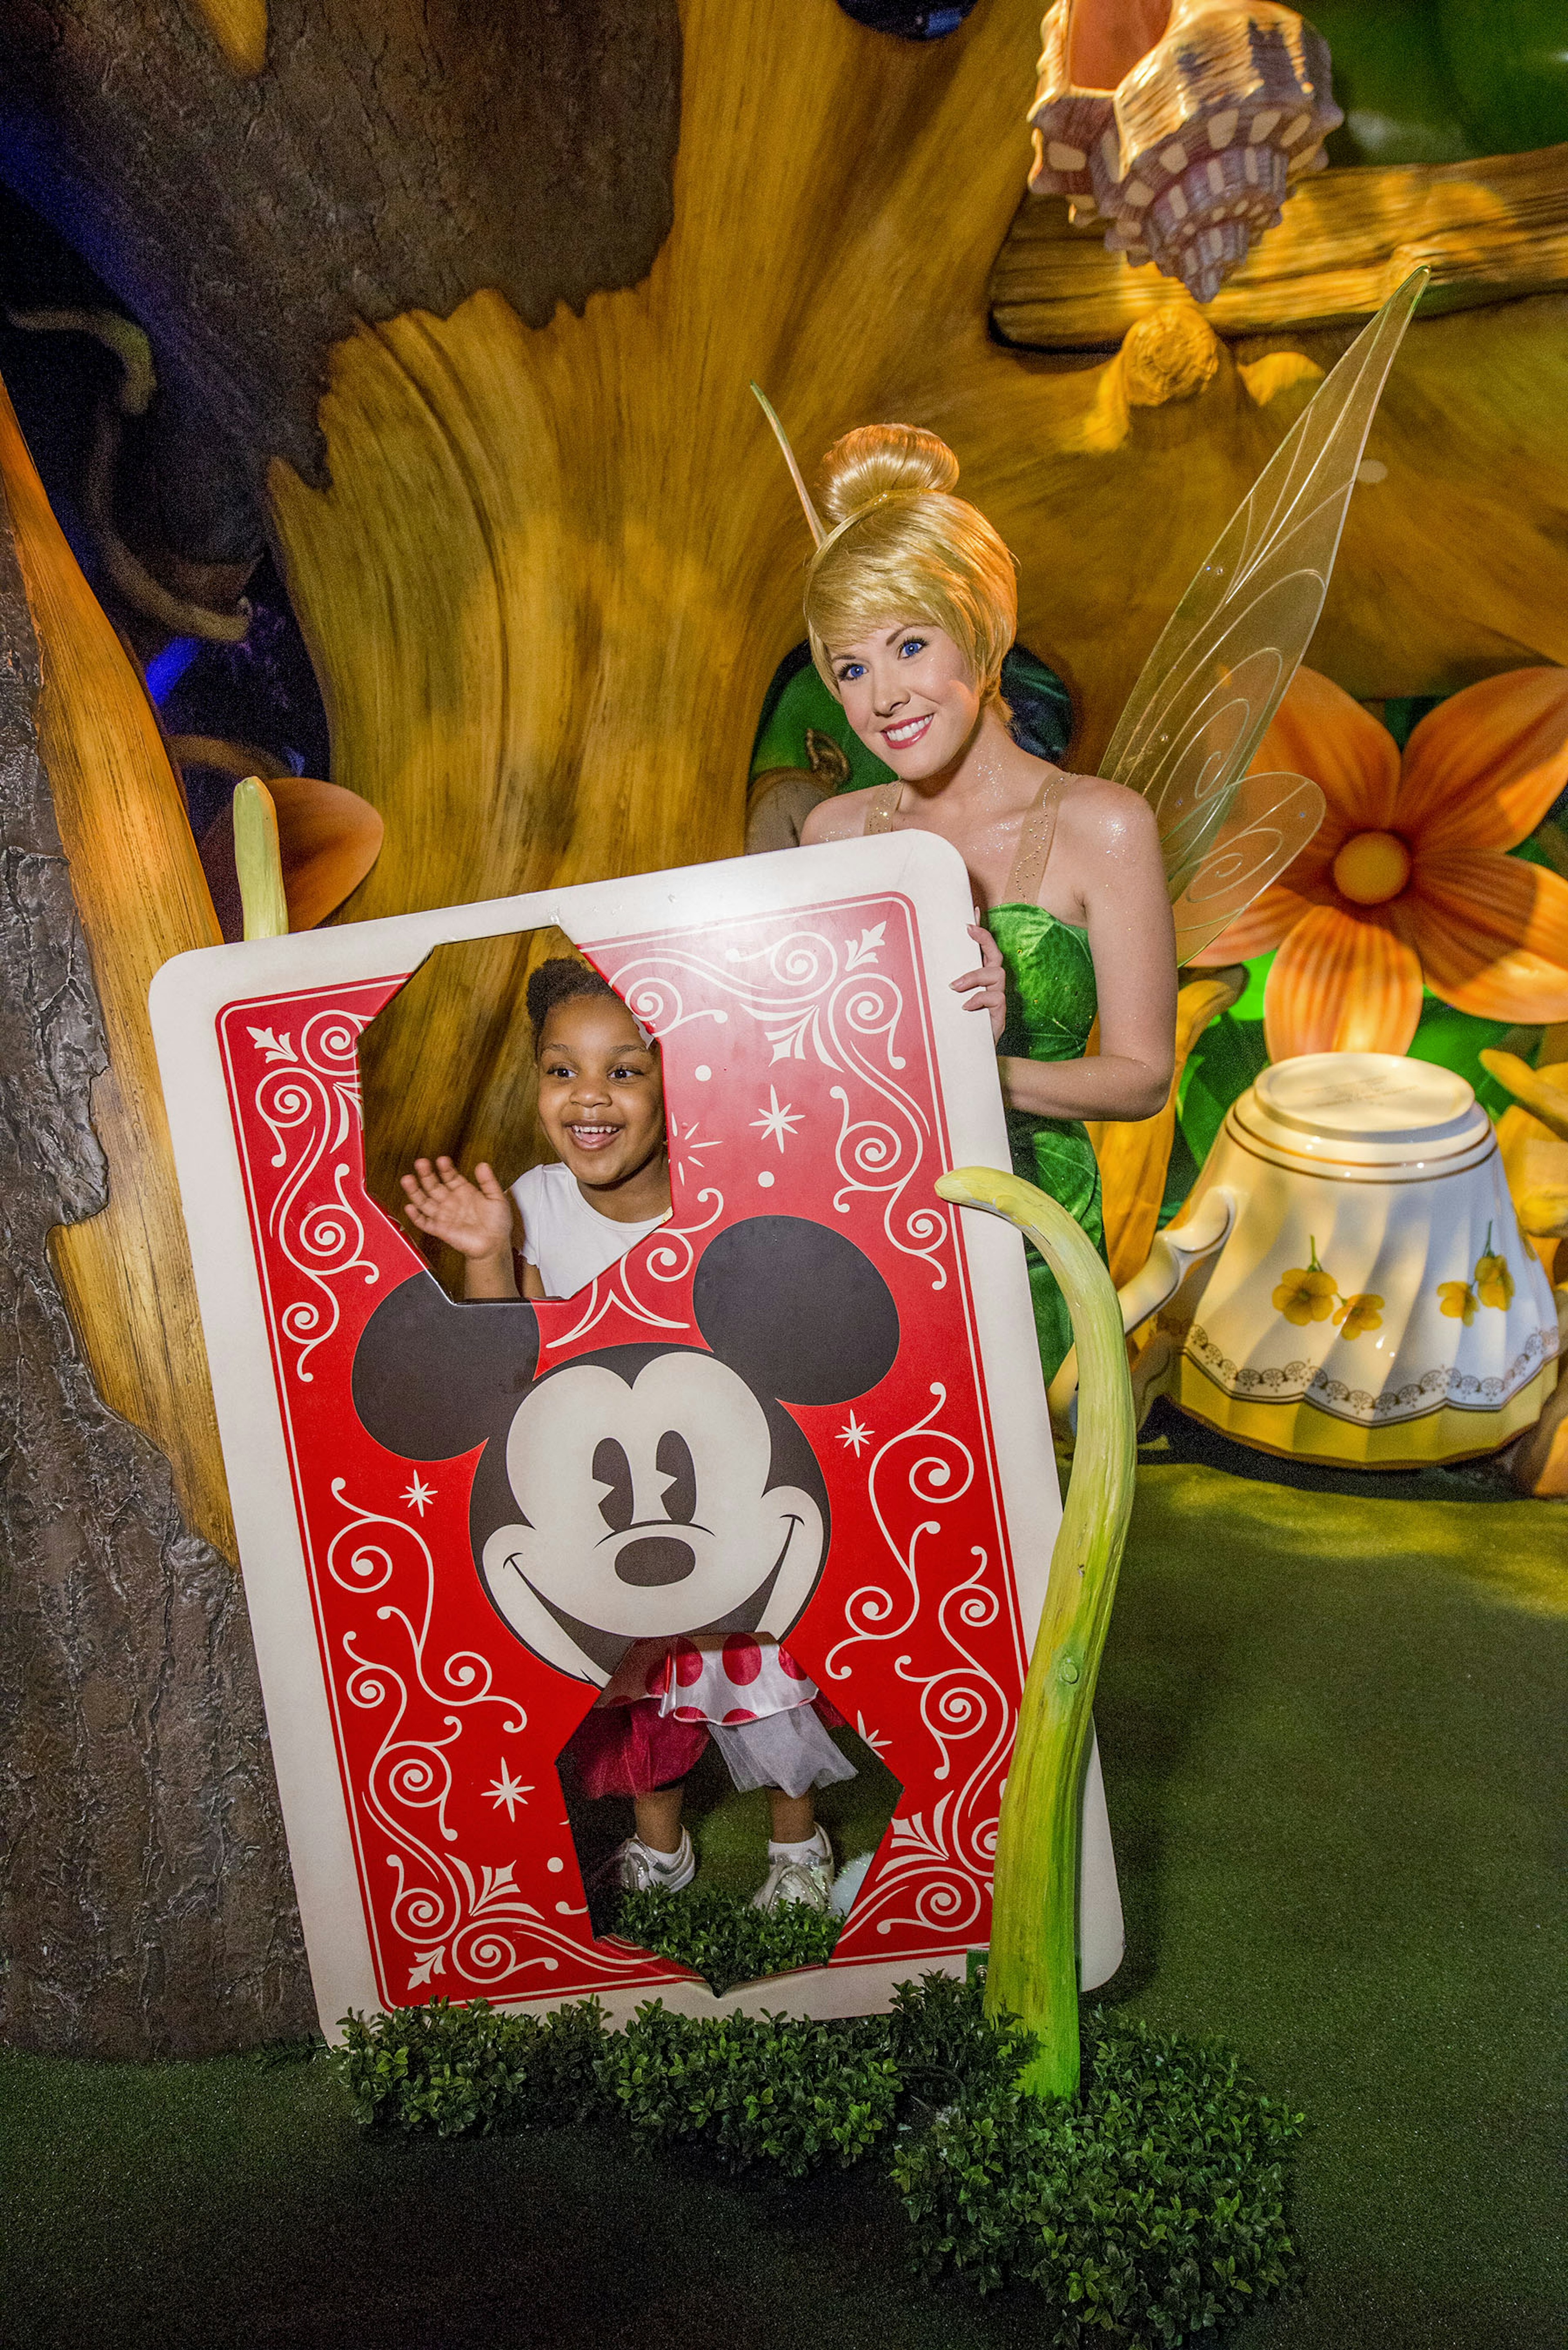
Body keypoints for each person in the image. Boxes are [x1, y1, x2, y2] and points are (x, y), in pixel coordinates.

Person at [398, 956, 853, 1909]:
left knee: (762, 1665)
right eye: (562, 1070)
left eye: (626, 1070)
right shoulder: (531, 1202)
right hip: (605, 1501)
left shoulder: (721, 1186)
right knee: (635, 1678)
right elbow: (505, 1369)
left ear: (678, 1082)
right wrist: (485, 1254)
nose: (589, 1097)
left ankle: (797, 1850)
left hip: (726, 1484)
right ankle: (663, 1851)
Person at [796, 424, 1177, 1381]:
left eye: (910, 646)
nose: (883, 696)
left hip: (1032, 1240)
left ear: (981, 632)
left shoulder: (1106, 826)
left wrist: (971, 1075)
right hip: (868, 1225)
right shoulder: (832, 837)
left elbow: (1139, 1079)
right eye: (850, 668)